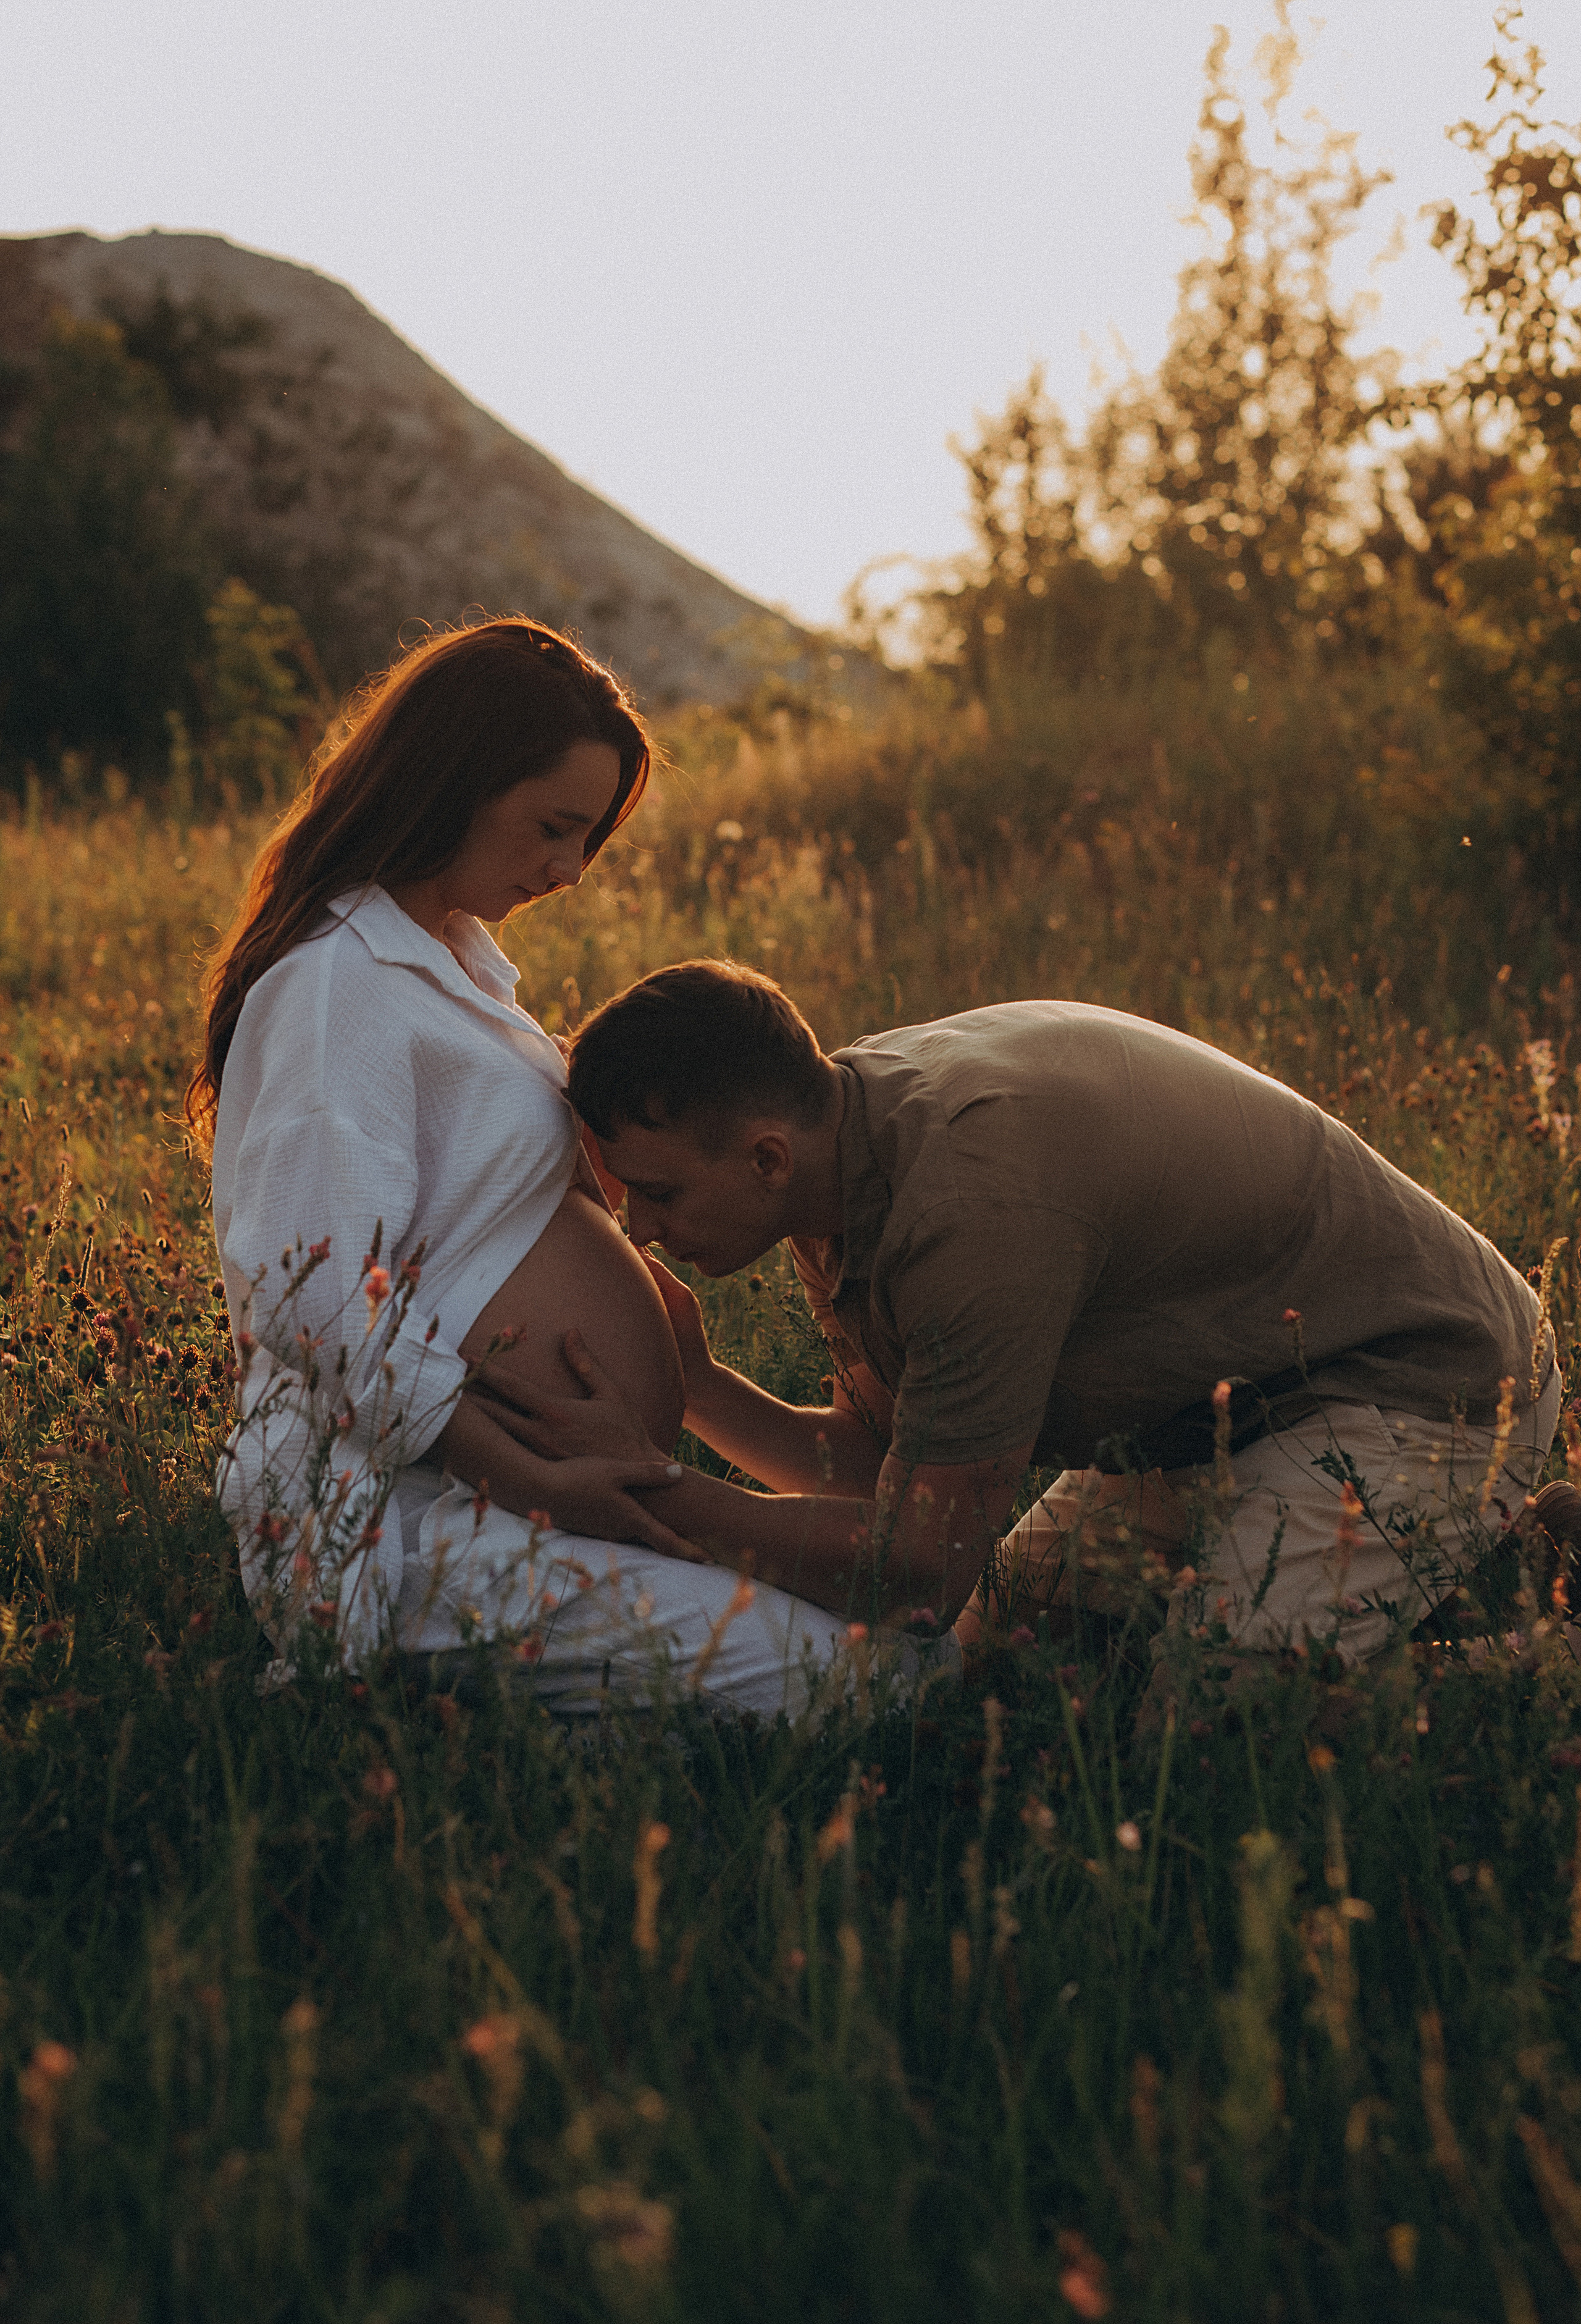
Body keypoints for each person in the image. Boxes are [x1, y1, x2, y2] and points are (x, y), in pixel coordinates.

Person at [191, 621, 903, 1716]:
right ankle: (466, 1730)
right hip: (401, 1520)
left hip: (517, 1500)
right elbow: (321, 1301)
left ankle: (548, 1729)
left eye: (590, 841)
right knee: (872, 1686)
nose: (568, 872)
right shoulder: (339, 985)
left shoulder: (457, 967)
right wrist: (525, 1474)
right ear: (453, 783)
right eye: (554, 829)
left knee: (898, 1643)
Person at [536, 960, 1569, 1664]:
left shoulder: (970, 1205)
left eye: (658, 1194)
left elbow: (919, 1572)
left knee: (1216, 1719)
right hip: (1216, 1417)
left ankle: (1543, 1654)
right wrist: (698, 1390)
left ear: (764, 1156)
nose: (643, 1232)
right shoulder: (831, 1150)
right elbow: (887, 1472)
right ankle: (1514, 1556)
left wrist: (640, 1496)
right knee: (1008, 1666)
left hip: (1427, 1386)